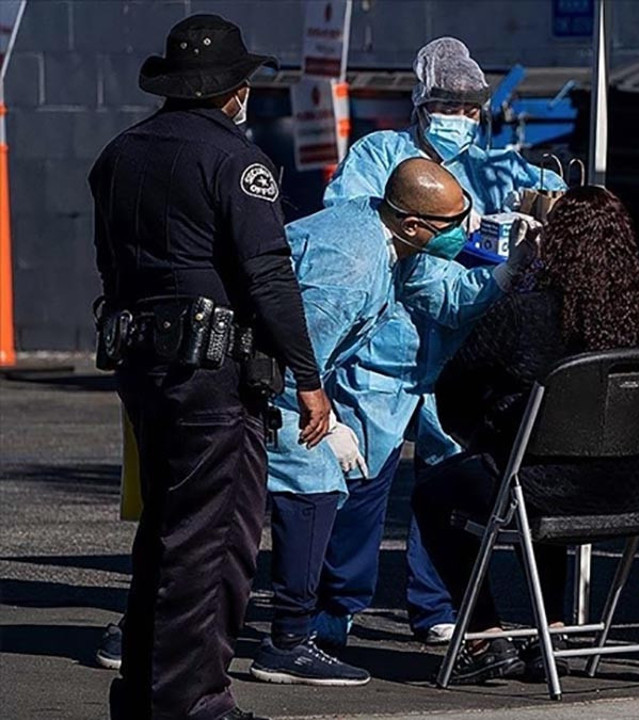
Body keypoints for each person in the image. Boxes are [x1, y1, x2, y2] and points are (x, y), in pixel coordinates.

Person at [90, 15, 330, 720]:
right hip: (212, 375)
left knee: (166, 533)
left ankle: (144, 696)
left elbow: (110, 265)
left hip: (142, 364)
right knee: (215, 545)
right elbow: (269, 277)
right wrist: (309, 378)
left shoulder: (118, 154)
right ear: (232, 91)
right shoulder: (236, 162)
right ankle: (195, 703)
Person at [315, 36, 566, 647]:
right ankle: (334, 609)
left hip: (453, 357)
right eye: (447, 107)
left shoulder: (488, 169)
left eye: (470, 109)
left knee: (444, 486)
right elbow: (356, 227)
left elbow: (545, 195)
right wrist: (467, 249)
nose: (460, 119)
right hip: (381, 352)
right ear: (421, 107)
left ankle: (436, 608)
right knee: (360, 488)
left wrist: (535, 213)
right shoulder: (379, 155)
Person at [249, 157, 534, 685]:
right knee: (308, 491)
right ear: (413, 224)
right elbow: (294, 353)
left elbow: (445, 298)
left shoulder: (398, 241)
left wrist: (508, 269)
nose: (465, 230)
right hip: (263, 377)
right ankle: (288, 641)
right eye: (455, 222)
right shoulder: (352, 265)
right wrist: (325, 416)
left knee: (289, 496)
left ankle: (273, 634)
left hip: (290, 375)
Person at [414, 186, 639, 683]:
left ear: (557, 243)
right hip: (628, 487)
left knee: (435, 492)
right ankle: (555, 628)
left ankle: (483, 635)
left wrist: (484, 433)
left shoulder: (525, 313)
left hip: (537, 484)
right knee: (547, 465)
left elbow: (455, 387)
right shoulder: (637, 321)